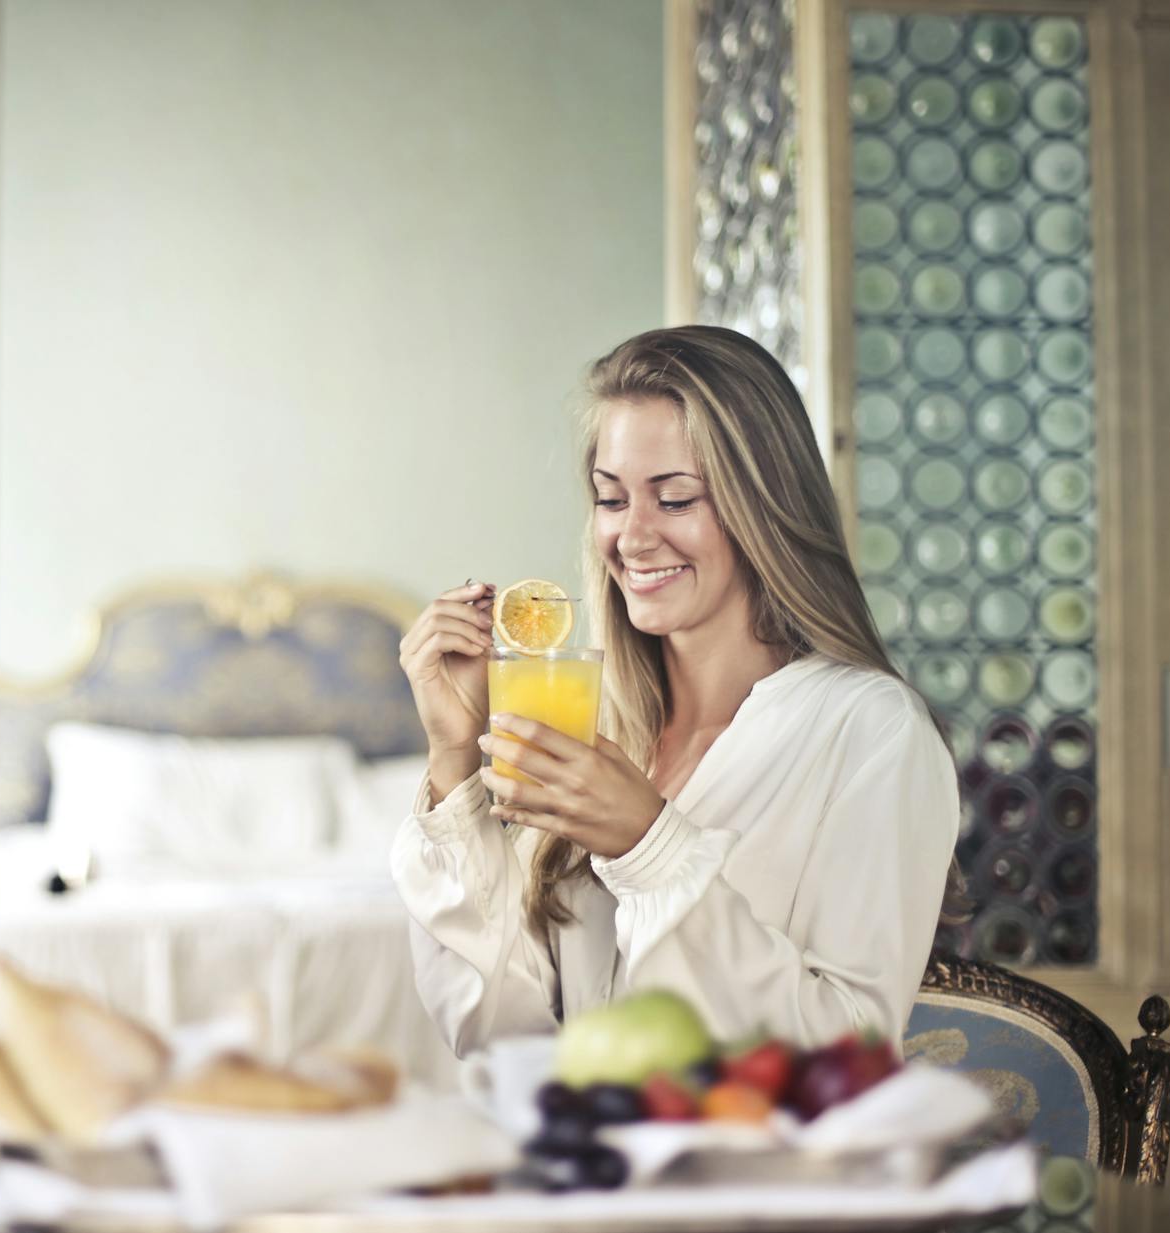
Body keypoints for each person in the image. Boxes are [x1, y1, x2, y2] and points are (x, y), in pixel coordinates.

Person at [391, 325, 960, 1057]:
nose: (632, 536)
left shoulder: (873, 733)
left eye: (677, 498)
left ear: (765, 504)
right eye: (611, 498)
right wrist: (451, 760)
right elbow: (503, 1037)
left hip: (750, 1172)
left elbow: (845, 1055)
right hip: (584, 1165)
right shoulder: (601, 726)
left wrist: (651, 844)